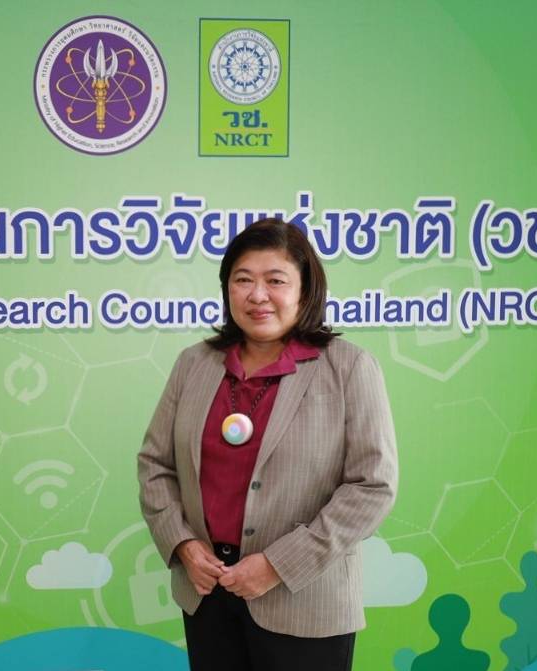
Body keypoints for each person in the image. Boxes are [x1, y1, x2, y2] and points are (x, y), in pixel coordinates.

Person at [137, 218, 398, 671]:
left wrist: (278, 565)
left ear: (305, 290)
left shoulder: (349, 368)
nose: (257, 295)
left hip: (305, 597)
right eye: (243, 280)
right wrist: (182, 545)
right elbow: (155, 465)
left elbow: (372, 486)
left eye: (275, 280)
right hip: (207, 590)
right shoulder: (193, 364)